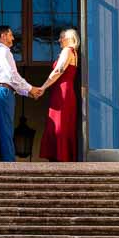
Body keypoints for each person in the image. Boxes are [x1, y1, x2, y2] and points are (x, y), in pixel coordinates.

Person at [0, 25, 42, 162]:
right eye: (10, 34)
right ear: (3, 36)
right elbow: (11, 75)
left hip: (4, 91)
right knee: (6, 130)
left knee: (5, 129)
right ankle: (9, 164)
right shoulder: (3, 51)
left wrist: (27, 92)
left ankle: (7, 162)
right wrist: (30, 89)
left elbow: (11, 78)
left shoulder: (1, 51)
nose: (13, 38)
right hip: (4, 91)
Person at [38, 29, 79, 162]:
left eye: (62, 37)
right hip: (65, 91)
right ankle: (63, 156)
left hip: (62, 92)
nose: (59, 40)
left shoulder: (67, 51)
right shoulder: (74, 52)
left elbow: (58, 70)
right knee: (63, 123)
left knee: (59, 124)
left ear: (70, 38)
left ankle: (60, 157)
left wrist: (43, 87)